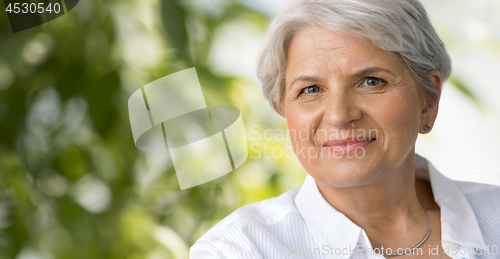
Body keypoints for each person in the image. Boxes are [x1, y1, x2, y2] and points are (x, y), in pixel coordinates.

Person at [190, 0, 500, 258]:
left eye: (371, 81)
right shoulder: (239, 249)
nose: (339, 116)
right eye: (311, 89)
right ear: (284, 110)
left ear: (428, 100)